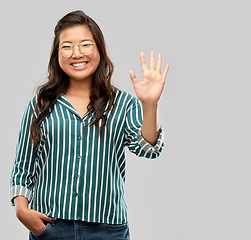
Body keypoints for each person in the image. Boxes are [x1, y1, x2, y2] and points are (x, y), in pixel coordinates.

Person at [10, 10, 169, 240]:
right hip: (52, 228)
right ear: (57, 54)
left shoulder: (122, 104)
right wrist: (22, 210)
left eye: (85, 44)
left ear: (99, 50)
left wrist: (150, 105)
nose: (77, 54)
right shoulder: (41, 105)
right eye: (67, 46)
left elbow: (149, 148)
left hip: (108, 231)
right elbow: (23, 166)